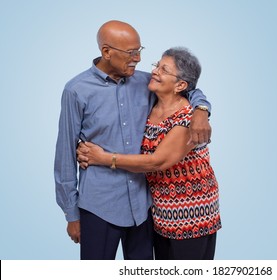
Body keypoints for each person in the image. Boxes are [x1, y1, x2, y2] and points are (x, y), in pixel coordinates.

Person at [54, 20, 212, 260]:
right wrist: (71, 214)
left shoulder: (145, 82)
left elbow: (187, 87)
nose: (137, 58)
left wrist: (202, 110)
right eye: (131, 53)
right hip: (99, 206)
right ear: (106, 52)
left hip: (143, 207)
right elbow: (65, 154)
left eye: (140, 51)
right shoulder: (77, 90)